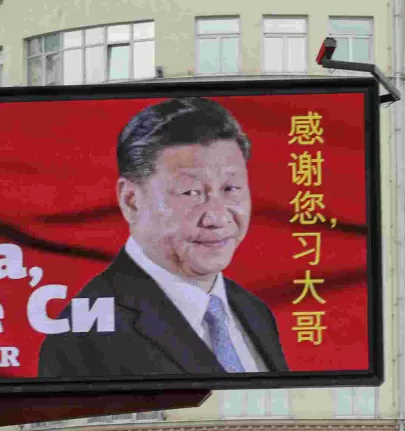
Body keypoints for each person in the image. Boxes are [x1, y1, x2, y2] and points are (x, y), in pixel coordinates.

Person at [38, 97, 288, 380]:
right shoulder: (82, 335)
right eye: (191, 192)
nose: (217, 217)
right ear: (131, 201)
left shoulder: (253, 311)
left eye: (231, 188)